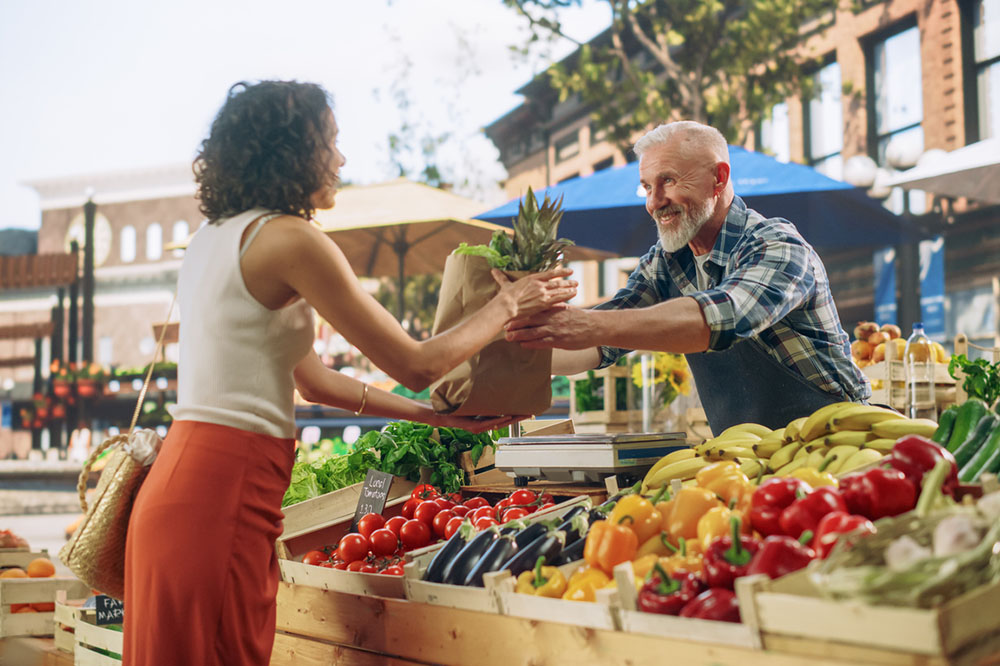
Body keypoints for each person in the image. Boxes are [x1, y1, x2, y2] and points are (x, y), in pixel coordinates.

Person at [122, 80, 576, 666]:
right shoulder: (291, 239)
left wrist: (434, 417)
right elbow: (414, 361)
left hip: (186, 487)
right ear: (291, 151)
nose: (340, 159)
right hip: (223, 490)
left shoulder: (214, 238)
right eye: (330, 143)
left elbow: (312, 381)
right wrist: (510, 304)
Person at [506, 120, 870, 434]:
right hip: (750, 457)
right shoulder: (666, 263)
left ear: (719, 178)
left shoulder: (778, 245)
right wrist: (506, 351)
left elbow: (723, 317)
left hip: (840, 441)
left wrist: (588, 323)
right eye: (647, 187)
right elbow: (599, 342)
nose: (654, 202)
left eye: (668, 180)